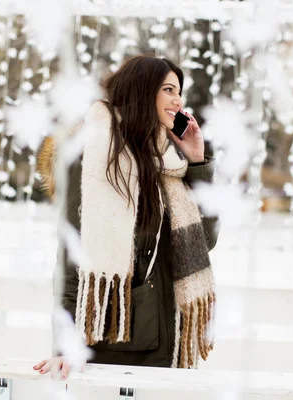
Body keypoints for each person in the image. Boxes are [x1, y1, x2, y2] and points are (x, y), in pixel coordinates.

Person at [34, 54, 220, 379]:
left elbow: (204, 241)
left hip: (167, 338)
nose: (178, 101)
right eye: (168, 89)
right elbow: (71, 258)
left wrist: (197, 162)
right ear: (142, 90)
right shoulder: (92, 158)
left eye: (179, 91)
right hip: (114, 343)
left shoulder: (169, 162)